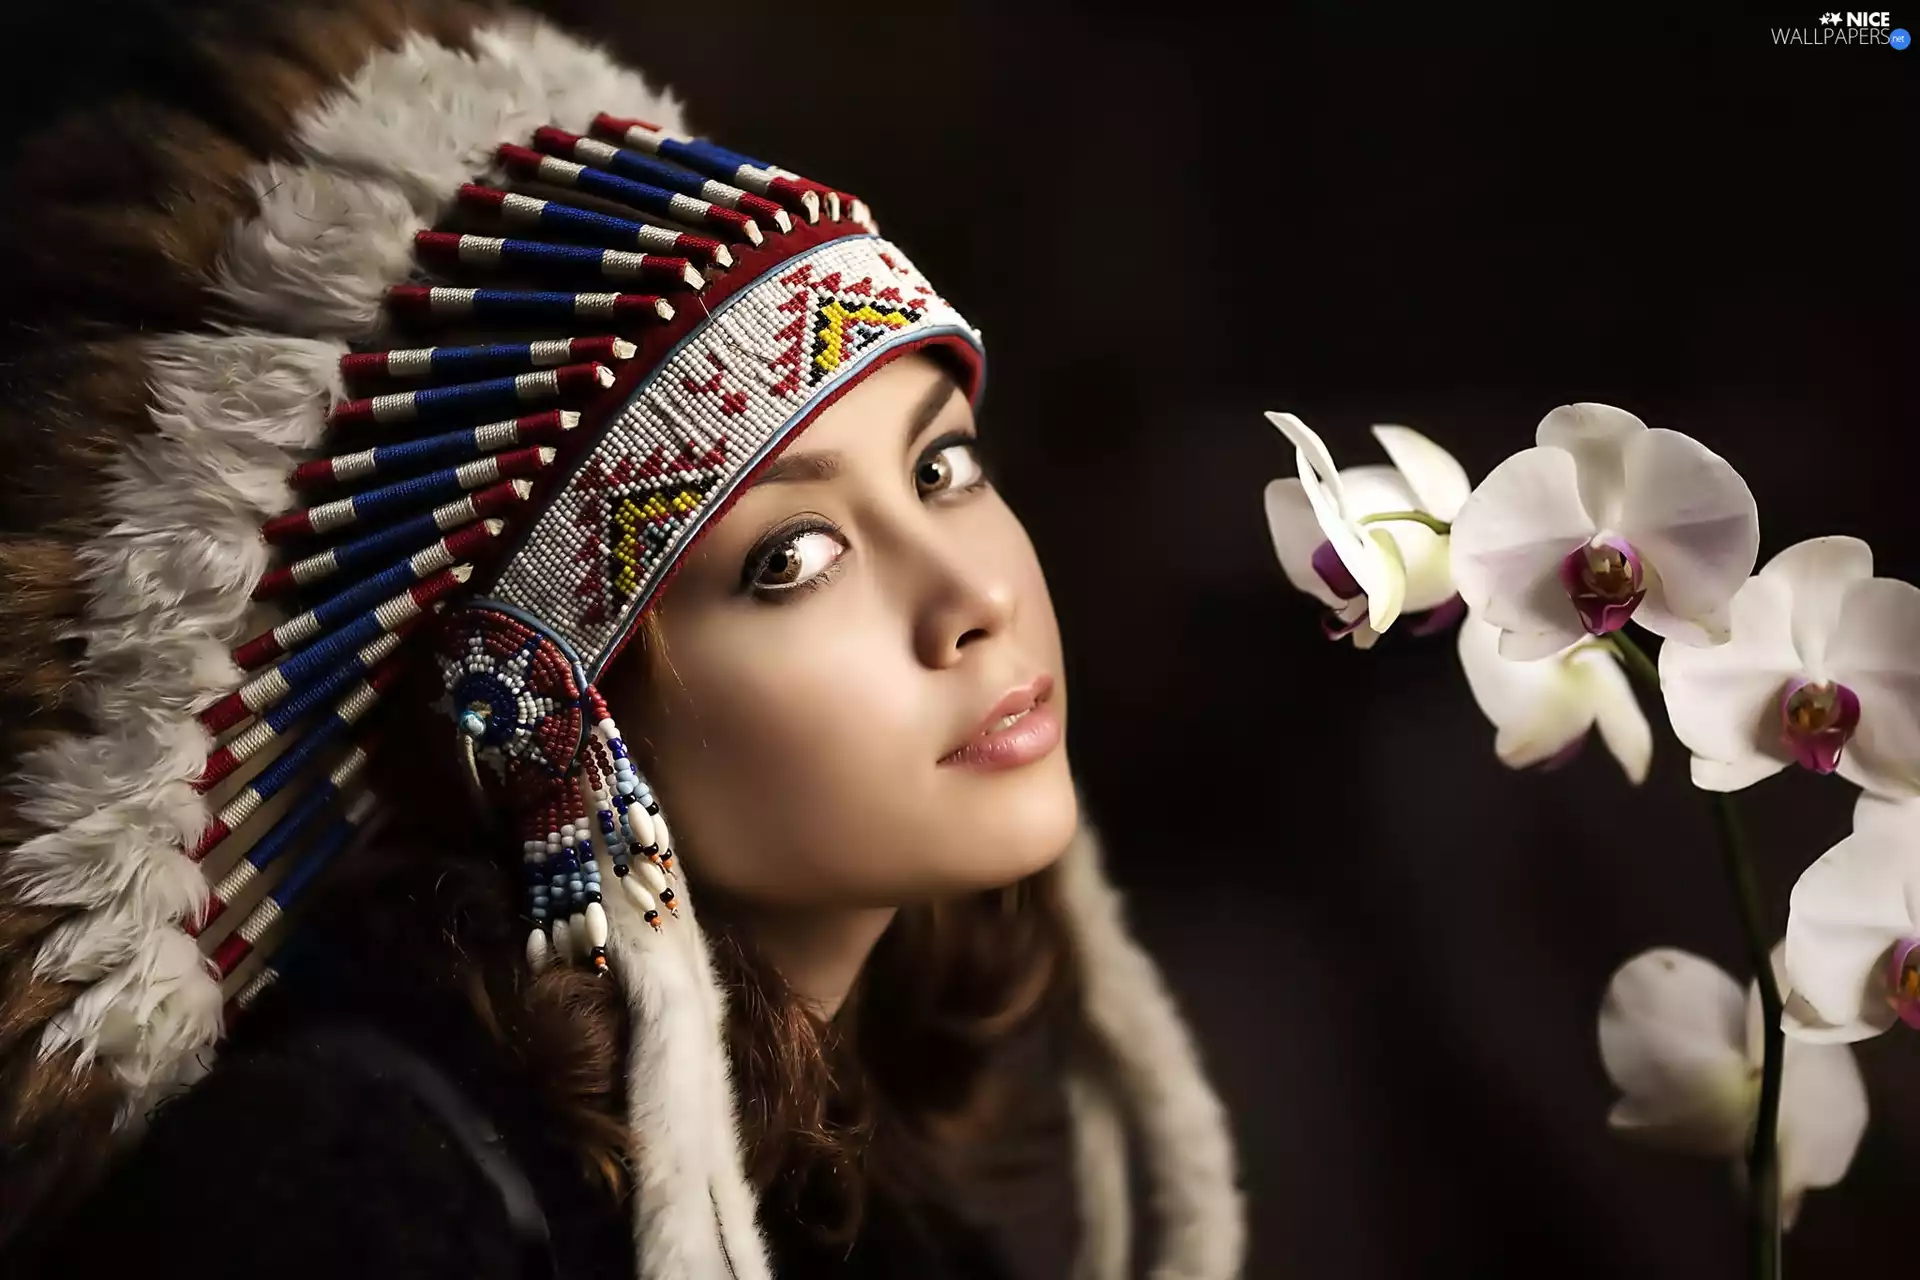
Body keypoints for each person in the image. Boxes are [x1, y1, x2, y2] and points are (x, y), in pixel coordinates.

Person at [0, 3, 1243, 1276]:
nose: (968, 595)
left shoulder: (870, 1220)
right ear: (549, 711)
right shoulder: (353, 1195)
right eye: (792, 557)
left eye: (945, 466)